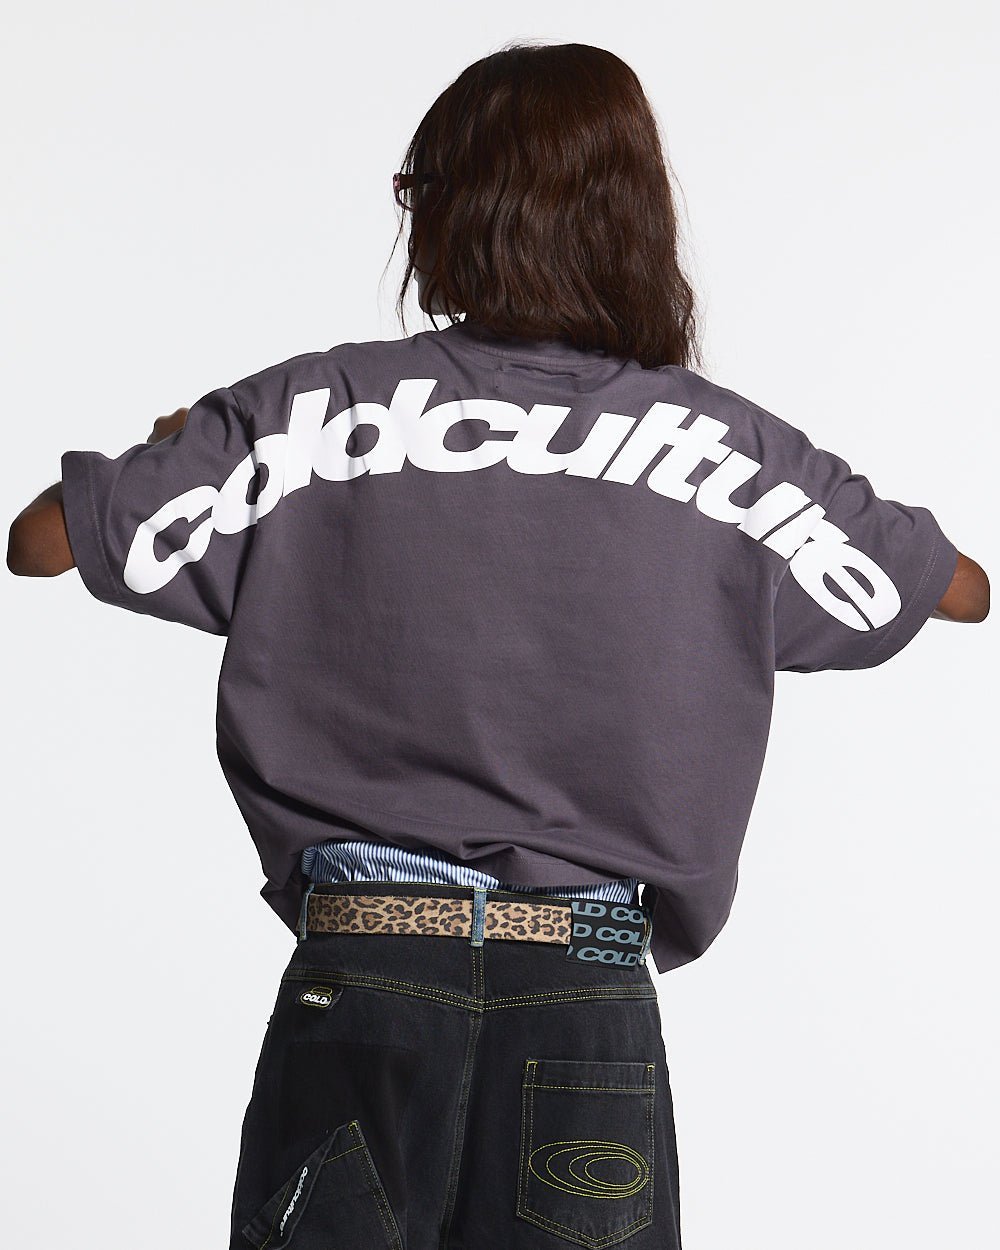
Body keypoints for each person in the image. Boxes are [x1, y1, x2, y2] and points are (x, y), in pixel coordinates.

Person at [6, 39, 989, 1250]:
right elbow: (957, 590)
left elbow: (42, 541)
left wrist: (189, 443)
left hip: (366, 972)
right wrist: (762, 508)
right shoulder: (727, 452)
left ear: (456, 212)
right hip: (584, 987)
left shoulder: (317, 411)